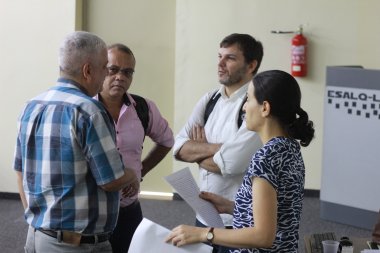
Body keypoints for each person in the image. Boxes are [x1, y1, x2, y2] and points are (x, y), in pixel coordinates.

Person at [13, 31, 139, 253]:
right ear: (87, 71)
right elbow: (111, 180)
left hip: (36, 236)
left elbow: (20, 170)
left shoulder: (31, 105)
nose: (105, 77)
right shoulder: (89, 111)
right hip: (76, 245)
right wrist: (132, 175)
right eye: (105, 68)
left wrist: (37, 221)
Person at [166, 70, 315, 252]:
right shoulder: (289, 148)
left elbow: (263, 236)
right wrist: (231, 207)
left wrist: (203, 233)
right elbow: (279, 213)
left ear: (265, 108)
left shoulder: (265, 158)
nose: (244, 107)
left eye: (249, 99)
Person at [173, 33, 264, 253]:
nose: (220, 64)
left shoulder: (255, 106)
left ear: (251, 65)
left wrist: (200, 152)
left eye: (230, 58)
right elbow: (178, 147)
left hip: (237, 220)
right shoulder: (209, 100)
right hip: (204, 214)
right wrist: (221, 150)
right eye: (219, 56)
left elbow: (230, 165)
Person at [94, 43, 174, 252]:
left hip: (128, 209)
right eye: (113, 70)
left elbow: (166, 141)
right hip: (92, 212)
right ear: (101, 69)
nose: (121, 76)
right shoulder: (83, 107)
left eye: (127, 72)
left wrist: (140, 171)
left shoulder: (143, 108)